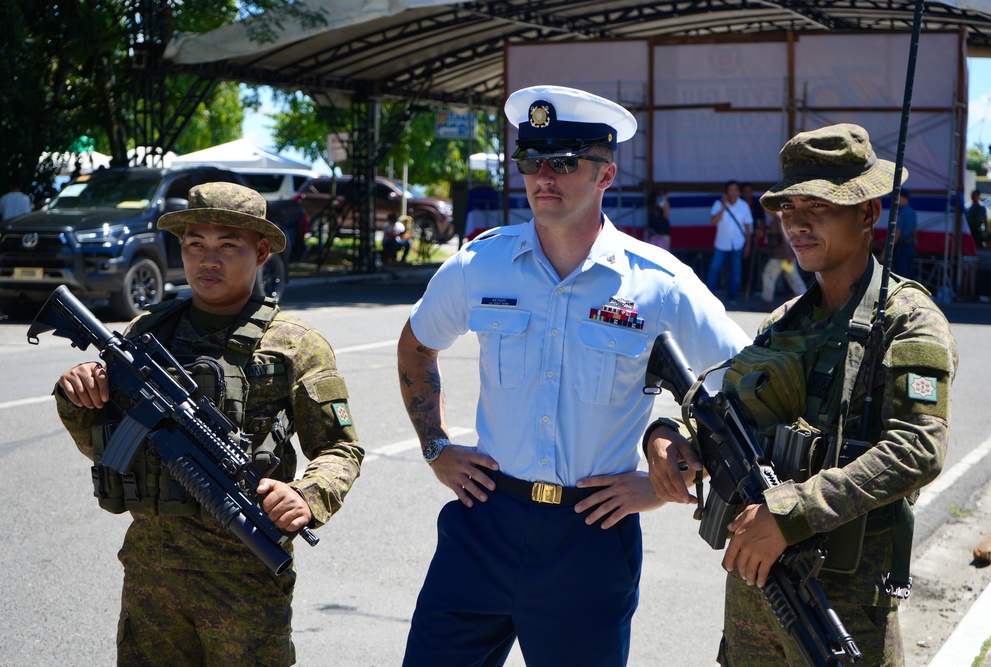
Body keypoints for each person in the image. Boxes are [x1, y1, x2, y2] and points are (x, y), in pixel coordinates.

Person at [397, 84, 749, 666]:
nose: (543, 177)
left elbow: (747, 386)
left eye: (562, 162)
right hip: (484, 523)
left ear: (605, 174)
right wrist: (436, 446)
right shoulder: (480, 264)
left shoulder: (658, 283)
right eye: (531, 161)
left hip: (589, 536)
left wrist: (666, 476)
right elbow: (416, 347)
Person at [647, 123, 957, 666]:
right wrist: (669, 439)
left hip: (841, 602)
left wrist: (793, 512)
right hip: (753, 587)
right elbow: (732, 422)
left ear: (868, 214)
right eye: (789, 206)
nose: (797, 222)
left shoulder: (909, 323)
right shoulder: (782, 322)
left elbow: (918, 448)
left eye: (820, 204)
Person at [54, 182, 365, 666]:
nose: (208, 260)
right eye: (195, 244)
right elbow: (107, 447)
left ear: (261, 251)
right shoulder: (147, 333)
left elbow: (341, 451)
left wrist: (306, 495)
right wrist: (80, 396)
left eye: (227, 246)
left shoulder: (295, 344)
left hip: (243, 577)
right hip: (152, 578)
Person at [707, 180, 753, 304]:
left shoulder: (743, 205)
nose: (733, 193)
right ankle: (709, 295)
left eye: (735, 190)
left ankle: (732, 295)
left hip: (738, 243)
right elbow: (714, 221)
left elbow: (748, 226)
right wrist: (723, 206)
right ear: (726, 192)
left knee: (736, 270)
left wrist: (748, 245)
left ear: (739, 192)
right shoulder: (718, 204)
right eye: (730, 190)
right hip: (721, 243)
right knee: (715, 269)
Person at [759, 210, 807, 310]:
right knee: (793, 278)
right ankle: (806, 299)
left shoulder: (778, 217)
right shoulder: (780, 215)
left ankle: (766, 301)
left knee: (768, 276)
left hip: (781, 255)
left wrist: (788, 253)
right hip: (786, 253)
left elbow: (785, 235)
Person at [891, 187, 918, 279]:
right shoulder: (912, 211)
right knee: (910, 271)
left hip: (901, 246)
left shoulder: (901, 213)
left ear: (903, 198)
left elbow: (897, 233)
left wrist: (886, 251)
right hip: (910, 245)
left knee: (901, 274)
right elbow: (914, 229)